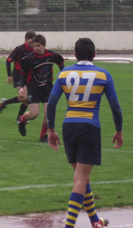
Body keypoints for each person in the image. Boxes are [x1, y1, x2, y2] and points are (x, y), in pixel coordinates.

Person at [47, 38, 122, 228]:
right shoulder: (103, 75)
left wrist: (51, 130)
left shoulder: (64, 73)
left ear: (74, 54)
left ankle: (95, 220)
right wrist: (119, 131)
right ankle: (69, 226)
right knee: (80, 178)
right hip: (89, 126)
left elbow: (52, 103)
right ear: (94, 54)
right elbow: (116, 108)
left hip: (68, 126)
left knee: (82, 176)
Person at [17, 34, 64, 141]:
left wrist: (62, 75)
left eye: (38, 46)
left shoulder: (51, 55)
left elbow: (60, 61)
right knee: (34, 114)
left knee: (49, 112)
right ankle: (22, 119)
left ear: (44, 46)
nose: (36, 48)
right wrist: (22, 87)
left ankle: (43, 135)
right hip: (34, 88)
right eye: (34, 46)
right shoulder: (30, 58)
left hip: (47, 87)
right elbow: (23, 73)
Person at [0, 30, 36, 121]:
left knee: (26, 99)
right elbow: (8, 60)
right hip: (18, 74)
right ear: (26, 39)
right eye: (29, 38)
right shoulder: (20, 49)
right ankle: (18, 117)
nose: (30, 40)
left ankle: (10, 108)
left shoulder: (35, 49)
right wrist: (9, 75)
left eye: (32, 38)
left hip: (28, 75)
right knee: (24, 97)